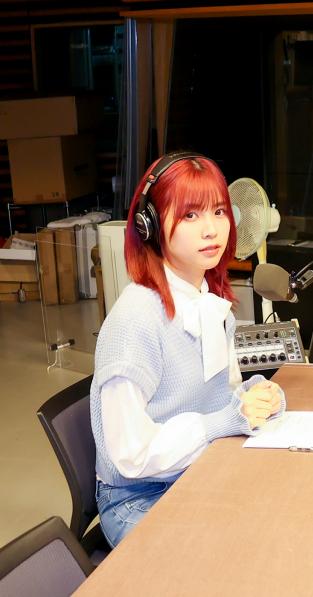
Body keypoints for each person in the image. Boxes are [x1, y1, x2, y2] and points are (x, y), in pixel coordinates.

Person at [90, 153, 286, 546]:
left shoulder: (208, 298)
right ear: (149, 226)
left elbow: (219, 397)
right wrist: (223, 423)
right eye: (191, 215)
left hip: (199, 469)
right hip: (139, 498)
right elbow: (131, 455)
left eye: (219, 212)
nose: (211, 230)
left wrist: (254, 397)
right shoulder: (135, 319)